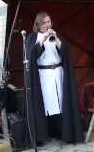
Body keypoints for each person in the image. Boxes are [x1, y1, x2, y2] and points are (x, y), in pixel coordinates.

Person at [25, 11, 83, 145]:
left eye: (48, 22)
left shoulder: (55, 36)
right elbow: (31, 55)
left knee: (61, 103)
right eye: (44, 22)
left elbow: (65, 53)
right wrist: (43, 40)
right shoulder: (32, 38)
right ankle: (44, 134)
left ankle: (63, 133)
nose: (47, 25)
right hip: (43, 76)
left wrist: (55, 38)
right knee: (46, 104)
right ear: (38, 24)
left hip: (58, 73)